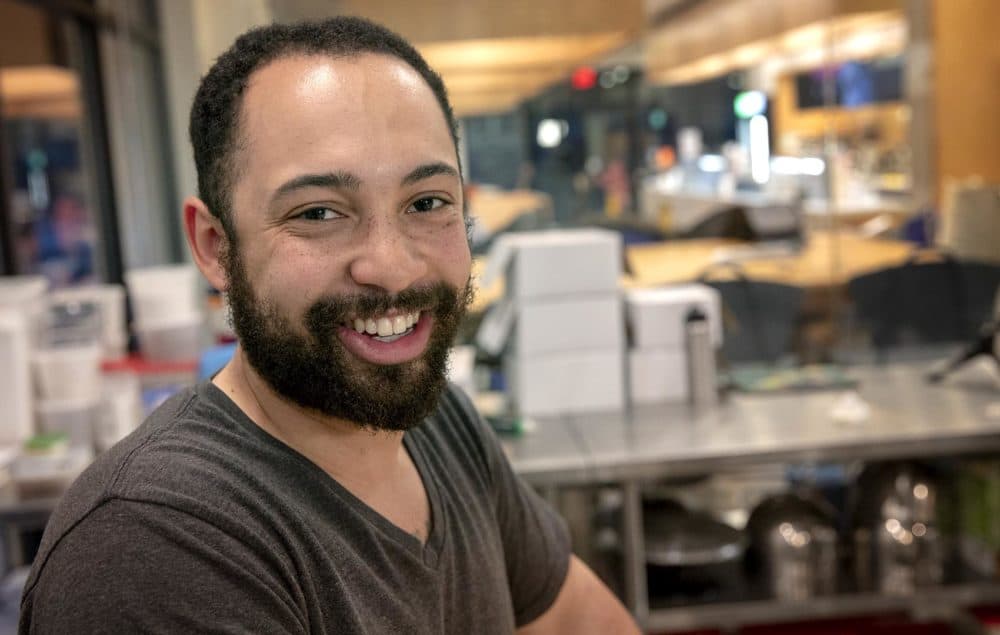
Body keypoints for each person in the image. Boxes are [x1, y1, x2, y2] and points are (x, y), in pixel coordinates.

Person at [19, 16, 640, 635]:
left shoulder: (442, 427)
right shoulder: (155, 544)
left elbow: (578, 620)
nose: (392, 269)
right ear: (215, 246)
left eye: (426, 203)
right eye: (318, 212)